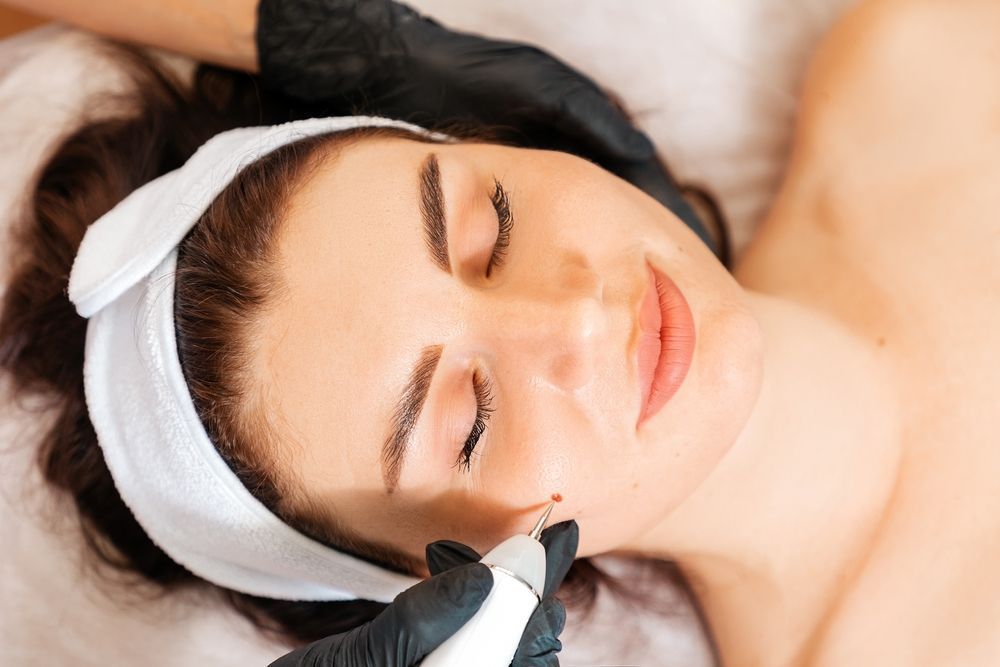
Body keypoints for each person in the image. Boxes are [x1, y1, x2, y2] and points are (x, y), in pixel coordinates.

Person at [4, 0, 1000, 666]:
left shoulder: (920, 61)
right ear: (438, 579)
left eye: (494, 225)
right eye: (468, 421)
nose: (572, 318)